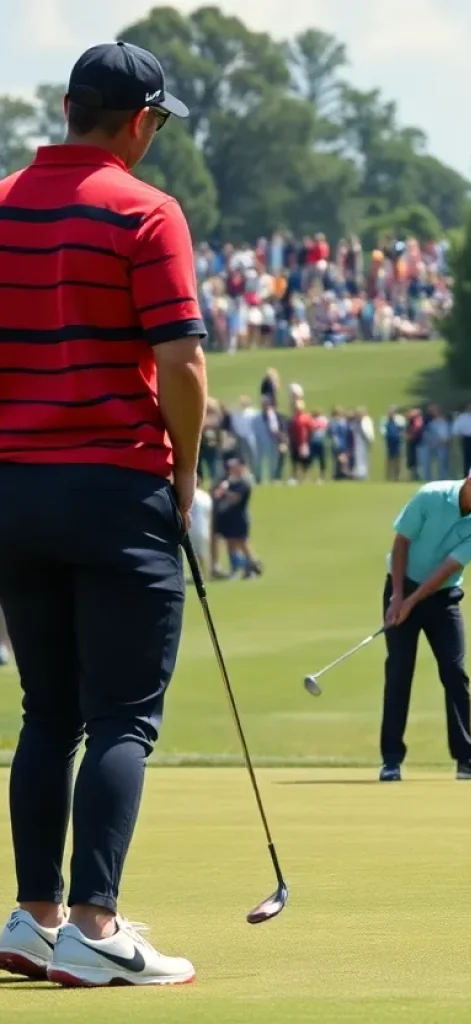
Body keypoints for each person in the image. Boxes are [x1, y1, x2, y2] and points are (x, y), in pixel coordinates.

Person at [0, 41, 202, 986]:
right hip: (116, 487)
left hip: (14, 493)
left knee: (49, 712)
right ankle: (96, 925)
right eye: (157, 121)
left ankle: (32, 919)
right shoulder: (145, 211)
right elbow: (184, 366)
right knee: (124, 718)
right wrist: (186, 478)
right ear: (136, 121)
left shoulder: (2, 204)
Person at [378, 457, 471, 783]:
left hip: (442, 596)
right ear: (469, 481)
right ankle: (391, 760)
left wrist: (413, 600)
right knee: (399, 672)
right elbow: (400, 543)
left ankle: (466, 760)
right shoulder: (430, 496)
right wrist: (397, 597)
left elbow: (448, 568)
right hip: (400, 583)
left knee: (455, 672)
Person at [212, 456, 261, 578]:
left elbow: (236, 498)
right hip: (228, 518)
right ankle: (237, 568)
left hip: (239, 518)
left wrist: (224, 491)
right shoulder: (228, 480)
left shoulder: (245, 482)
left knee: (242, 543)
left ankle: (253, 566)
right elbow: (214, 492)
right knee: (230, 543)